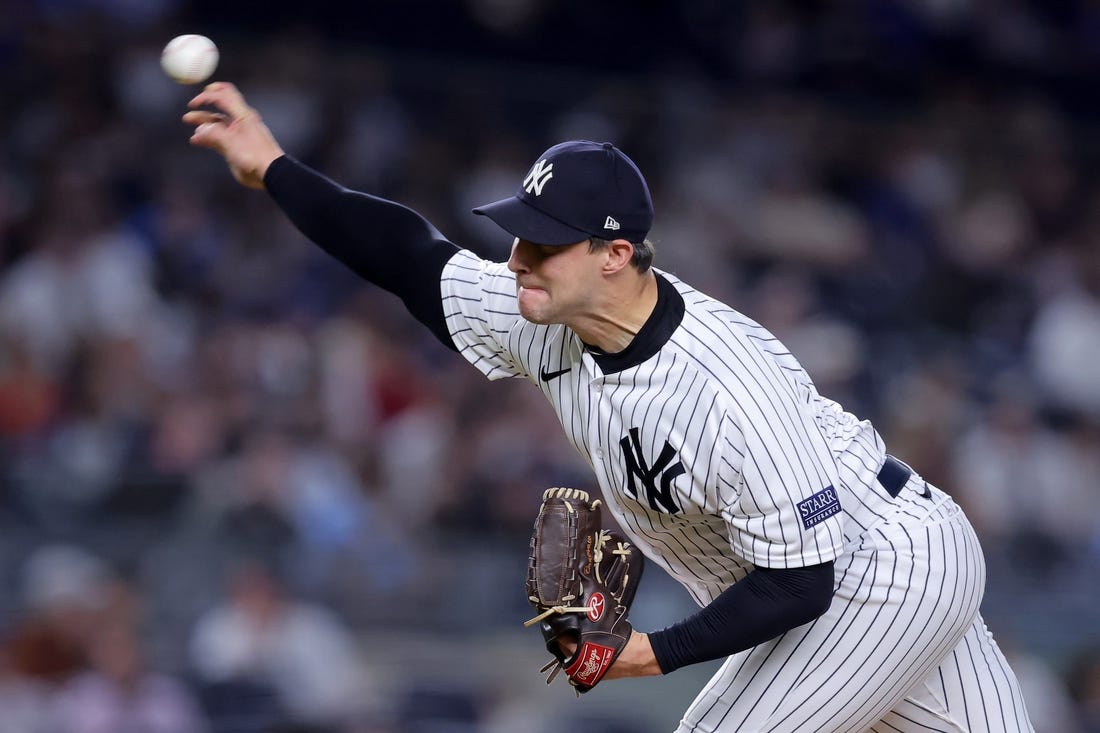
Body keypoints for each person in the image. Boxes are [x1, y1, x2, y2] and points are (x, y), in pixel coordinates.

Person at [183, 82, 1035, 732]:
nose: (518, 258)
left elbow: (803, 582)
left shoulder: (726, 386)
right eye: (519, 232)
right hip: (853, 565)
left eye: (544, 242)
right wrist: (275, 170)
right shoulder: (545, 315)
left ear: (615, 253)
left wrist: (649, 652)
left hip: (876, 572)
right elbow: (410, 255)